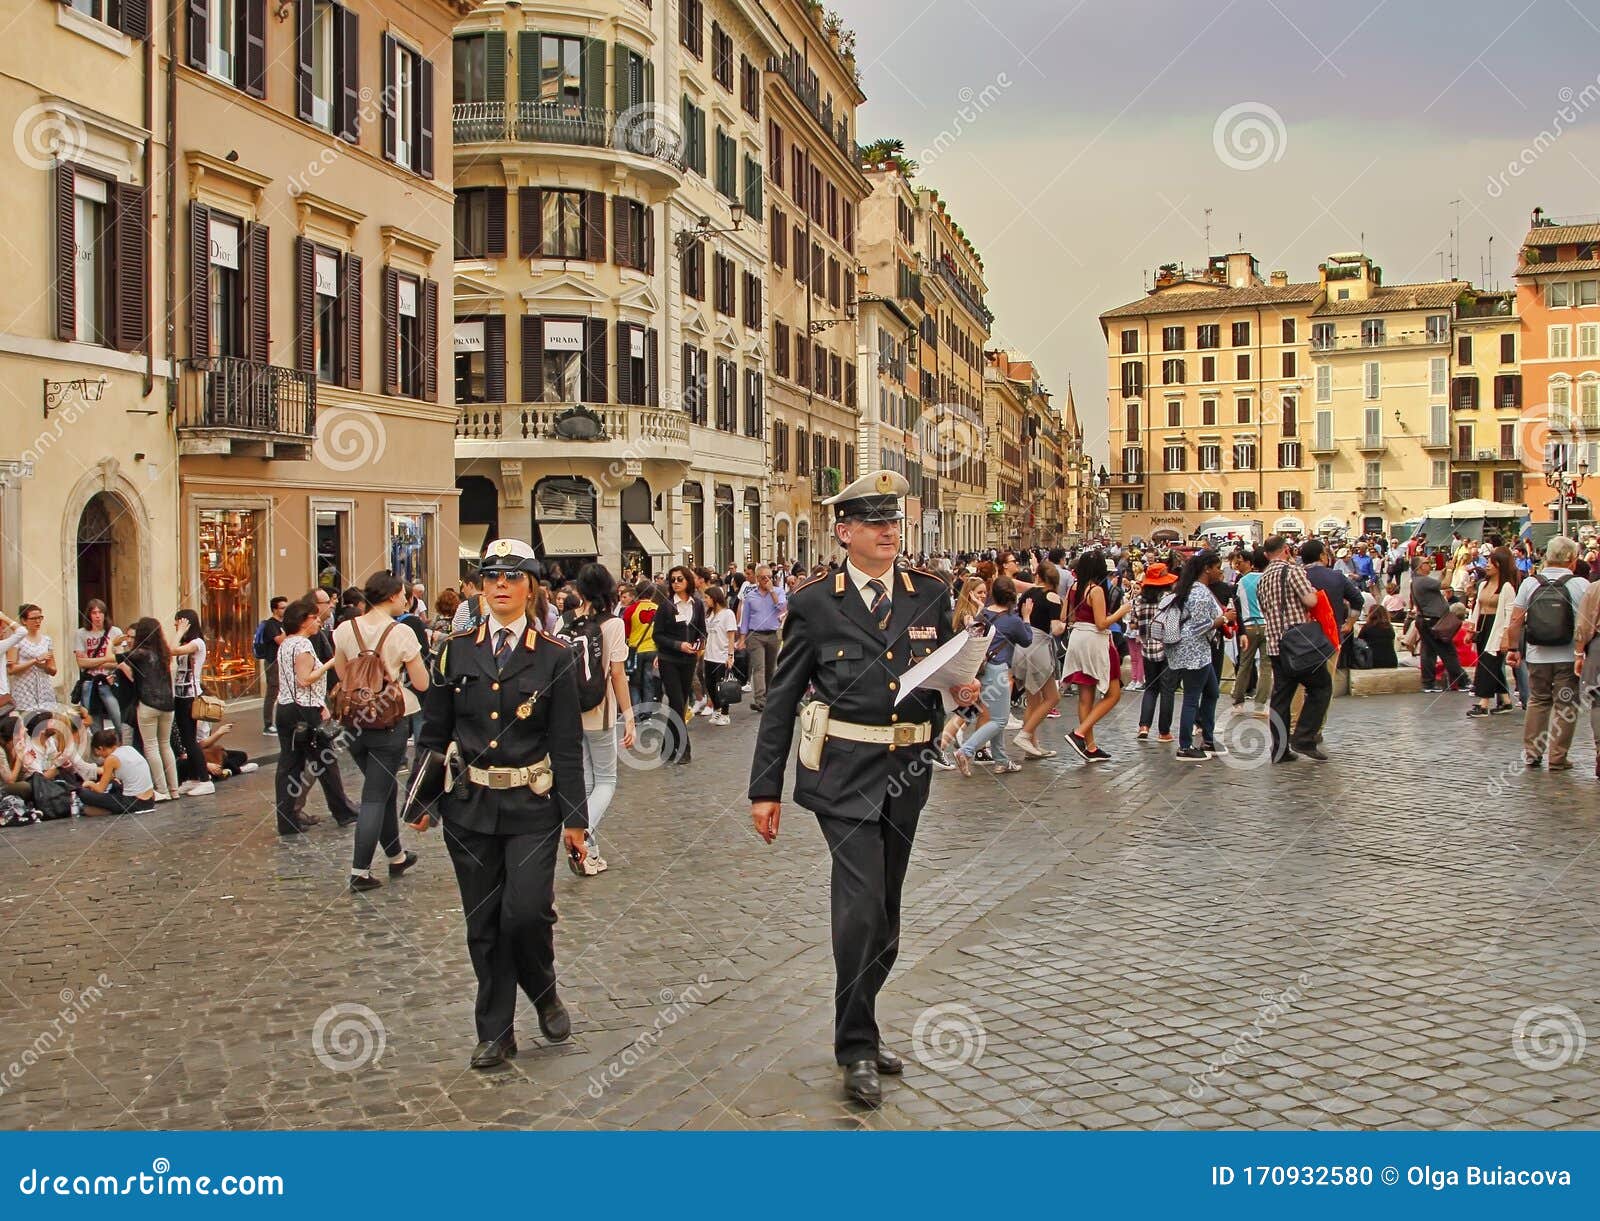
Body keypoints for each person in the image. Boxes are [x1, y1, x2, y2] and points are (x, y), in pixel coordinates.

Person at [748, 470, 977, 1108]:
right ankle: (854, 1047)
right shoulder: (816, 603)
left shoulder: (928, 594)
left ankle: (865, 1023)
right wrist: (763, 788)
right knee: (859, 905)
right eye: (875, 523)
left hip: (907, 773)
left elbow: (937, 679)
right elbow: (782, 701)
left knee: (888, 914)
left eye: (895, 522)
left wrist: (960, 689)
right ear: (844, 532)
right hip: (842, 775)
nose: (889, 532)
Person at [405, 538, 589, 1069]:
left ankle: (544, 990)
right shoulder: (454, 649)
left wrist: (576, 820)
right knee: (483, 924)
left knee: (526, 914)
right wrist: (422, 800)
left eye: (512, 577)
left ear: (531, 587)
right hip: (470, 806)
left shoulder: (555, 656)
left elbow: (566, 744)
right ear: (480, 587)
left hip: (533, 807)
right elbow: (434, 732)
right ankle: (496, 1031)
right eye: (491, 577)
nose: (501, 586)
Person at [332, 571, 430, 890]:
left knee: (383, 788)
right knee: (375, 795)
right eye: (402, 593)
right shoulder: (401, 633)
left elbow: (341, 671)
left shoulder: (345, 628)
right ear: (390, 596)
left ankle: (396, 855)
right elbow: (421, 682)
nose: (405, 598)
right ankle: (360, 871)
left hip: (354, 721)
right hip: (389, 721)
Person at [571, 562, 635, 876]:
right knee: (607, 781)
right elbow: (618, 674)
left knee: (585, 782)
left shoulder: (569, 621)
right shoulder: (613, 624)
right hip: (601, 708)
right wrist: (630, 715)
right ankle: (581, 833)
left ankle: (589, 855)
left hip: (571, 711)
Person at [1506, 536, 1591, 771]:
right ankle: (1558, 757)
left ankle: (1532, 754)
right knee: (1565, 705)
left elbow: (1515, 621)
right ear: (1572, 560)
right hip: (1568, 655)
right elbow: (1584, 624)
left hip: (1536, 654)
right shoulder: (1580, 585)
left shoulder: (1530, 583)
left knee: (1538, 700)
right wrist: (1580, 653)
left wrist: (1513, 649)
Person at [274, 597, 356, 835]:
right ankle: (343, 811)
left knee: (289, 765)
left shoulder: (286, 644)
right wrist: (330, 664)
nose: (319, 622)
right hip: (303, 710)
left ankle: (287, 819)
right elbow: (304, 679)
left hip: (287, 708)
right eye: (315, 618)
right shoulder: (303, 645)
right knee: (325, 761)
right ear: (303, 621)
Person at [1259, 535, 1331, 763]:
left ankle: (1279, 750)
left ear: (1265, 555)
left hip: (1274, 643)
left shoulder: (1262, 579)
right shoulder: (1293, 571)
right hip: (1298, 642)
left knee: (1281, 697)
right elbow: (1310, 601)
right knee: (1321, 687)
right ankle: (1304, 737)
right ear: (1286, 550)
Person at [953, 576, 1033, 777]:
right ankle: (966, 750)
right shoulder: (1013, 620)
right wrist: (1027, 617)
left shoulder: (983, 615)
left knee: (996, 715)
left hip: (981, 670)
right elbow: (1027, 640)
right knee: (999, 720)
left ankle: (1001, 760)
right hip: (999, 671)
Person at [1060, 550, 1130, 762]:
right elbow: (1101, 623)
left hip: (1077, 639)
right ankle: (1080, 733)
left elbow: (1065, 616)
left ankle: (1089, 747)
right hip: (1095, 640)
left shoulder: (1073, 587)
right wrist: (1121, 611)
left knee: (1085, 695)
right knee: (1113, 694)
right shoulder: (1096, 590)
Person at [1167, 551, 1227, 761]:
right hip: (1195, 651)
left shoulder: (1190, 588)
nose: (1220, 571)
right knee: (1192, 697)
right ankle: (1185, 745)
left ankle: (1208, 739)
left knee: (1212, 691)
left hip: (1197, 652)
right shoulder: (1200, 593)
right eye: (1217, 567)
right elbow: (1201, 626)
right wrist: (1224, 619)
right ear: (1206, 569)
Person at [117, 617, 179, 800]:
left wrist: (114, 644)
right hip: (168, 704)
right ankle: (174, 789)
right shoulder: (164, 653)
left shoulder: (140, 653)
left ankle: (162, 789)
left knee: (151, 747)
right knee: (166, 746)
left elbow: (112, 659)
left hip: (148, 704)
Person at [651, 566, 705, 764]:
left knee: (680, 704)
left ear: (688, 581)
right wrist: (678, 645)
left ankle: (667, 748)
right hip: (669, 660)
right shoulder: (665, 606)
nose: (675, 582)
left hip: (689, 660)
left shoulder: (697, 605)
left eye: (679, 579)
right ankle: (684, 750)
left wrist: (698, 645)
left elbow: (702, 631)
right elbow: (657, 635)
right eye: (672, 579)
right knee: (675, 701)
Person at [1467, 547, 1519, 718]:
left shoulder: (1507, 587)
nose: (1487, 565)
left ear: (1500, 565)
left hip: (1496, 628)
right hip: (1482, 626)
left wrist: (1505, 635)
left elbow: (1509, 613)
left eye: (1491, 562)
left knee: (1488, 664)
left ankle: (1483, 702)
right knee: (1491, 665)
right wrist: (1471, 629)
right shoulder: (1483, 584)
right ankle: (1505, 700)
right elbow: (1477, 608)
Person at [1130, 562, 1179, 742]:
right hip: (1168, 648)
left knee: (1150, 688)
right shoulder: (1170, 599)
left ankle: (1144, 726)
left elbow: (1133, 623)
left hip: (1148, 649)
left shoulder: (1138, 600)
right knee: (1168, 690)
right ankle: (1164, 732)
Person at [170, 609, 216, 797]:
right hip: (179, 695)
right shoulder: (185, 642)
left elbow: (171, 650)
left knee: (190, 740)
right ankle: (195, 776)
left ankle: (205, 779)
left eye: (178, 622)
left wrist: (179, 632)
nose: (175, 626)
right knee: (185, 740)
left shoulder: (197, 643)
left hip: (190, 696)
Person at [1408, 556, 1465, 693]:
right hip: (1433, 620)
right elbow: (1445, 585)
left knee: (1428, 652)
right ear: (1419, 567)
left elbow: (1437, 584)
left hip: (1426, 620)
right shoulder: (1423, 581)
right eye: (1427, 563)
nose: (1430, 564)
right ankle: (1462, 681)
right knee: (1448, 651)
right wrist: (1450, 570)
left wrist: (1444, 573)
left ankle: (1428, 683)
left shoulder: (1418, 581)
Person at [736, 565, 785, 712]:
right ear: (757, 579)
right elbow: (745, 619)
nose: (767, 580)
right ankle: (760, 699)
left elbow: (782, 608)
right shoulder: (751, 596)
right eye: (764, 577)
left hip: (773, 634)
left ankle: (770, 697)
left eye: (770, 577)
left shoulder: (779, 591)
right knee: (759, 667)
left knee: (771, 668)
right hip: (755, 635)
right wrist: (742, 638)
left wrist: (771, 592)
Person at [73, 600, 125, 739]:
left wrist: (94, 662)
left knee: (119, 719)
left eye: (100, 612)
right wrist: (106, 659)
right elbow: (82, 663)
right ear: (88, 615)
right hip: (90, 683)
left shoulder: (115, 632)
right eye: (94, 612)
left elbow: (119, 661)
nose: (97, 616)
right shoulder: (81, 634)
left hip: (109, 681)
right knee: (94, 725)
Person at [78, 728, 158, 816]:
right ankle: (103, 810)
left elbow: (100, 789)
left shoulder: (111, 759)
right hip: (150, 800)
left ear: (100, 748)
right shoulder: (129, 748)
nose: (99, 756)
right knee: (114, 785)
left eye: (97, 752)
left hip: (133, 802)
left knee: (84, 793)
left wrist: (89, 784)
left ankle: (102, 810)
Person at [1229, 549, 1271, 717]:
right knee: (1266, 668)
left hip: (1248, 627)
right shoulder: (1266, 579)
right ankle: (1260, 706)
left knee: (1244, 665)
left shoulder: (1240, 583)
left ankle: (1238, 703)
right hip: (1265, 624)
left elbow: (1237, 607)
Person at [8, 604, 57, 726]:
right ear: (24, 621)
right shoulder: (17, 640)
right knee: (27, 724)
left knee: (46, 724)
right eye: (34, 618)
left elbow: (53, 670)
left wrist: (43, 666)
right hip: (23, 689)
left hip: (43, 688)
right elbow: (11, 669)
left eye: (40, 618)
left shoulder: (47, 640)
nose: (37, 621)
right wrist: (34, 661)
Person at [703, 585, 739, 727]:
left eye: (707, 597)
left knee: (722, 687)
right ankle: (717, 709)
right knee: (710, 685)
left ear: (714, 598)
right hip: (709, 655)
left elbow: (731, 636)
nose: (705, 600)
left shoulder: (727, 614)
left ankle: (725, 713)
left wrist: (730, 655)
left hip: (721, 655)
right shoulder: (710, 615)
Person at [254, 596, 288, 734]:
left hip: (284, 661)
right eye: (282, 608)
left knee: (284, 692)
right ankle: (268, 724)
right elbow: (280, 640)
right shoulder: (270, 625)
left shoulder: (284, 624)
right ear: (275, 609)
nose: (285, 610)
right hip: (273, 662)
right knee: (272, 693)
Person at [1357, 604, 1399, 669]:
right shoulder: (1389, 627)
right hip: (1391, 661)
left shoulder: (1367, 627)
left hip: (1373, 661)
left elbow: (1359, 643)